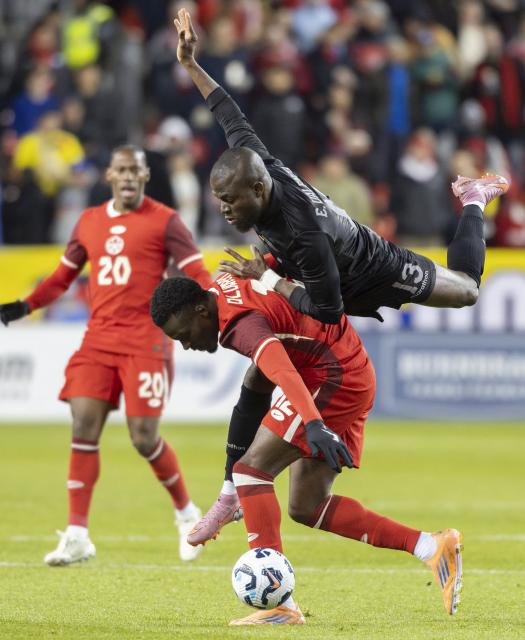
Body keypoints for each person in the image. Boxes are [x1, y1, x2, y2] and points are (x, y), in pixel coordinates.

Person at [172, 8, 510, 545]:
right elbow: (227, 110)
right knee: (258, 372)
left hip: (369, 268)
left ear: (258, 192)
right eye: (219, 200)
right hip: (317, 270)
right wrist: (192, 64)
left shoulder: (302, 231)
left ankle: (472, 199)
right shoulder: (255, 161)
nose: (225, 211)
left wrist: (272, 281)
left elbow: (328, 310)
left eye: (230, 201)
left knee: (466, 289)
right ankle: (232, 493)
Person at [150, 274, 463, 625]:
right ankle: (430, 546)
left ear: (200, 310)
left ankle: (281, 603)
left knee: (251, 471)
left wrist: (314, 423)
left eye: (183, 334)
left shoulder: (240, 324)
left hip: (332, 377)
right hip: (344, 363)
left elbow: (281, 370)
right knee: (307, 505)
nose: (186, 345)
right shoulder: (225, 282)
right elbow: (259, 380)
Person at [0, 145, 212, 565]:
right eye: (121, 170)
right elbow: (63, 276)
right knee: (83, 424)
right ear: (110, 176)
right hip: (98, 340)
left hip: (145, 341)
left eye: (136, 169)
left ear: (146, 175)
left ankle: (187, 514)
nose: (129, 176)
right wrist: (26, 305)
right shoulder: (89, 220)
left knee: (143, 438)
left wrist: (217, 304)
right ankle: (77, 533)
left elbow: (196, 270)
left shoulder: (166, 220)